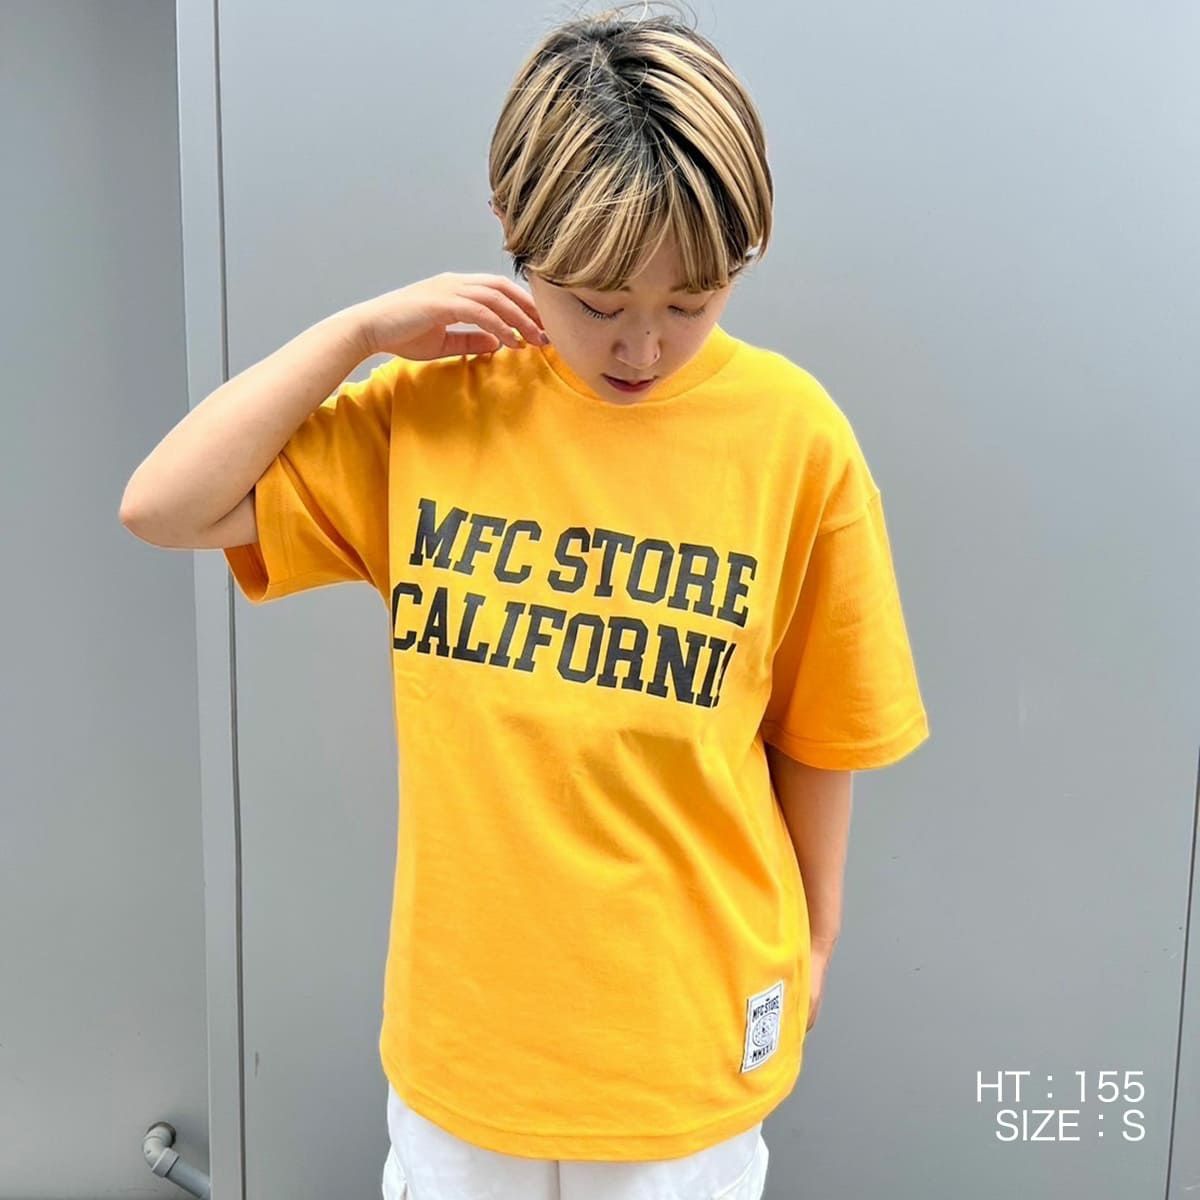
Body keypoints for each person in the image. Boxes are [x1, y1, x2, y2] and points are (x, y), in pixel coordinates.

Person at [119, 3, 930, 1196]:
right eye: (598, 303)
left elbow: (822, 731)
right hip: (467, 1062)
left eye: (692, 301)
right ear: (514, 232)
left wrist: (816, 941)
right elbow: (164, 504)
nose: (643, 347)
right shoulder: (439, 416)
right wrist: (359, 333)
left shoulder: (796, 439)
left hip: (683, 1054)